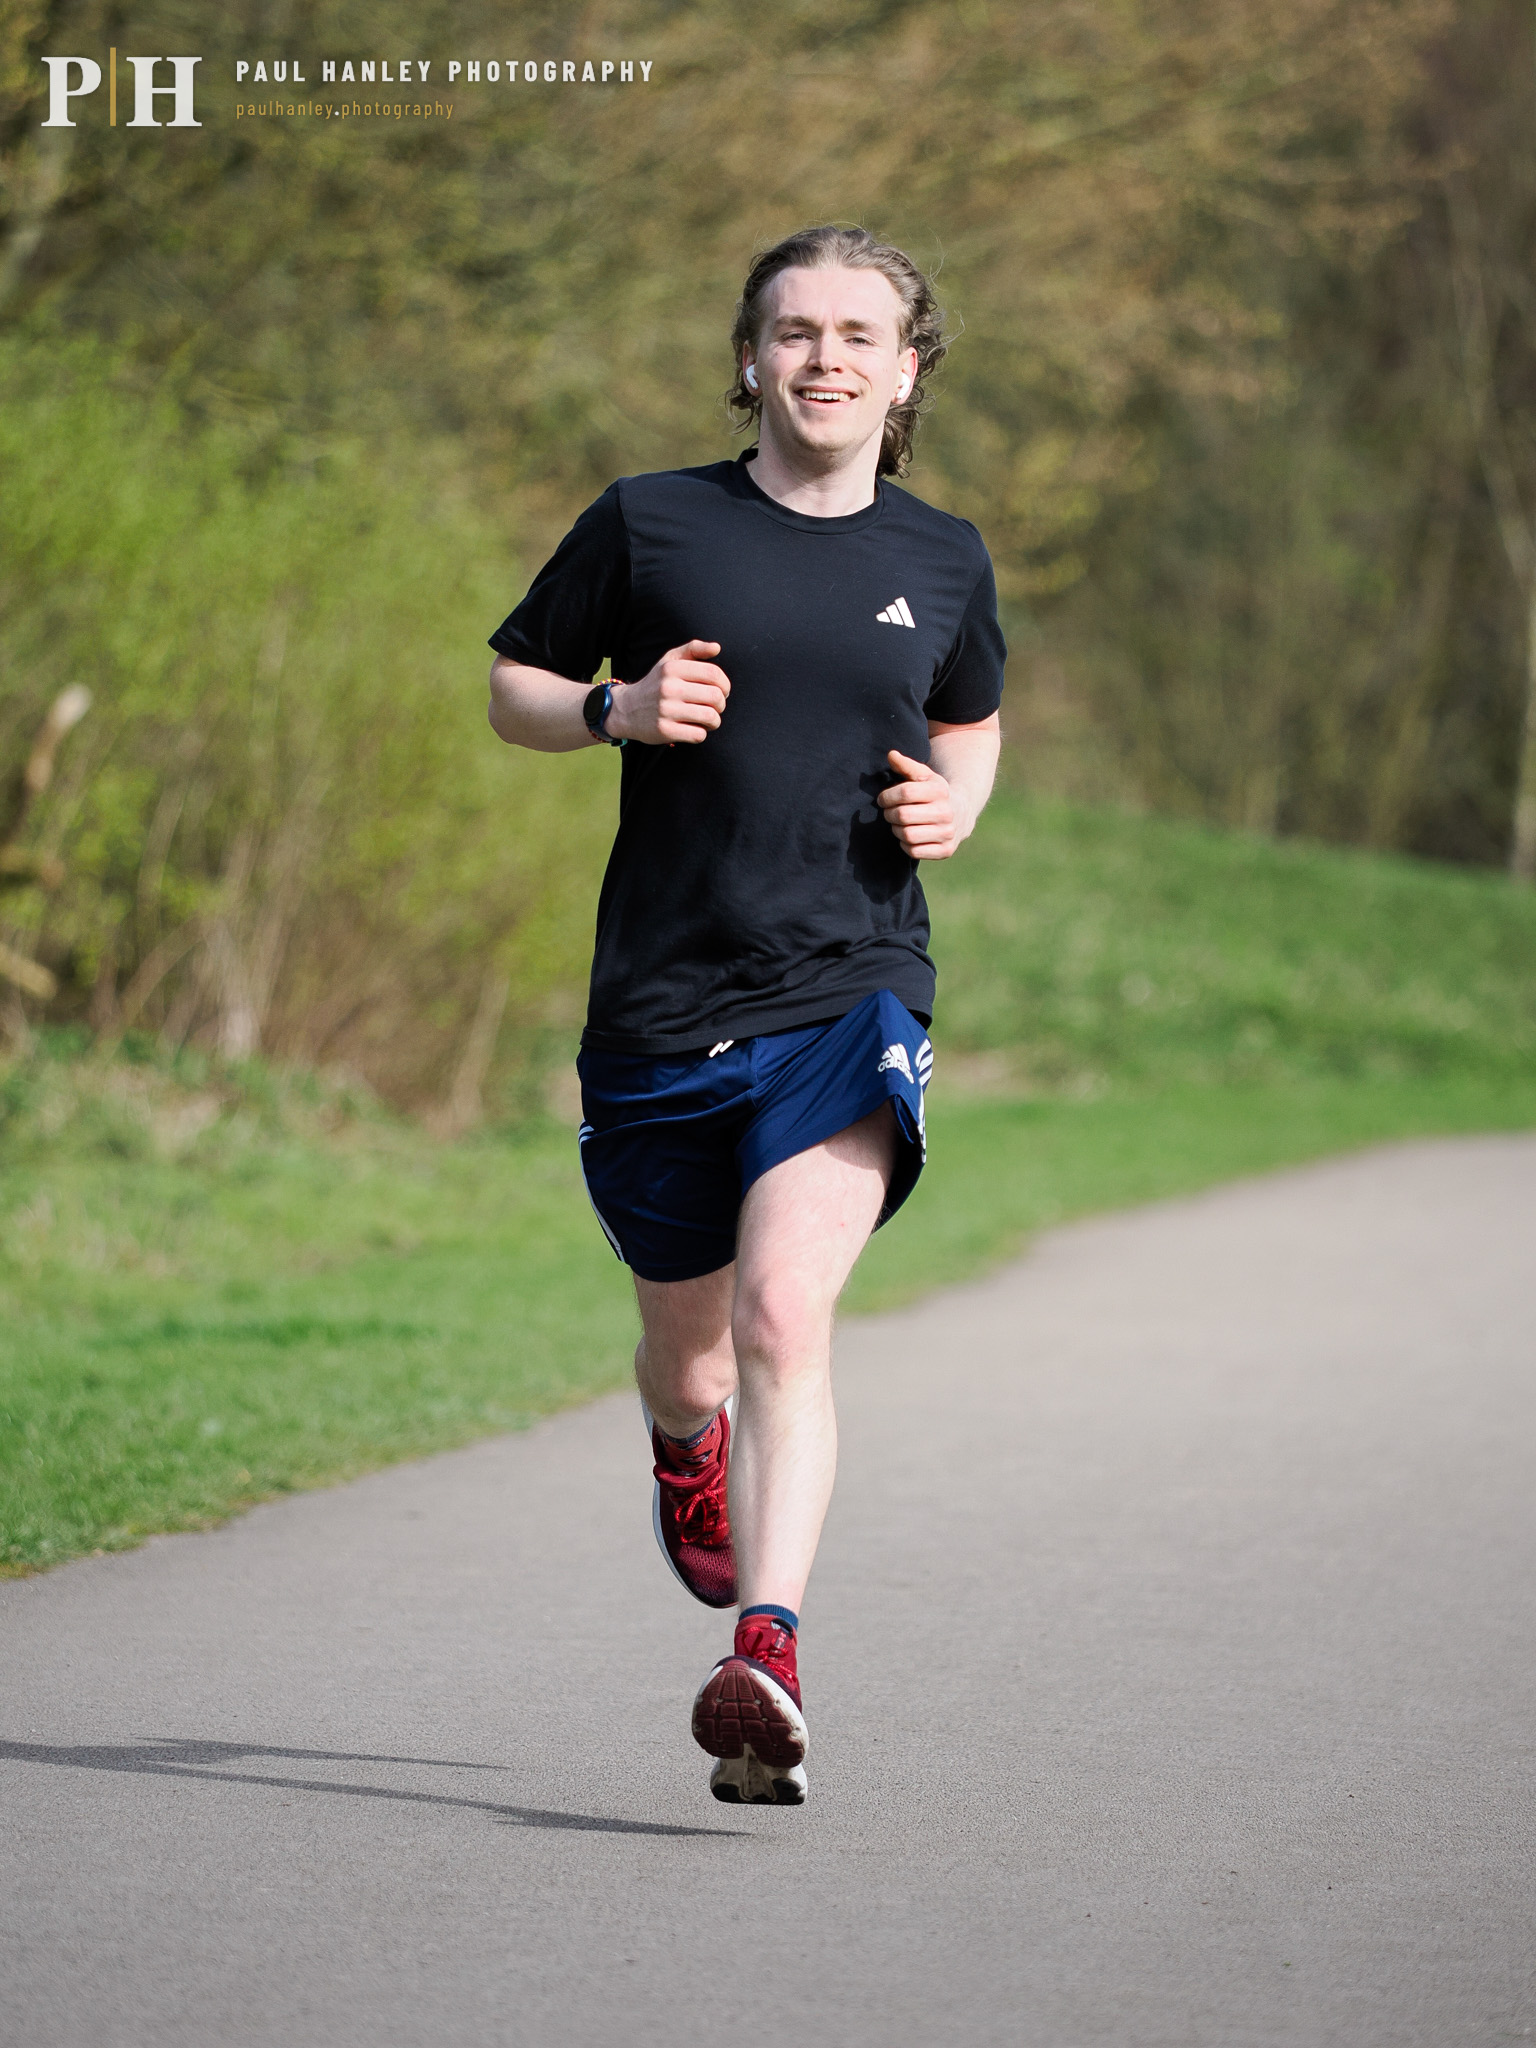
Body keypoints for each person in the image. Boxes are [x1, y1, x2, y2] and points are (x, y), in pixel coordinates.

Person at [486, 224, 1005, 1805]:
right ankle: (683, 1451)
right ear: (749, 355)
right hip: (659, 1001)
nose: (826, 356)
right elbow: (512, 682)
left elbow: (971, 723)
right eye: (795, 330)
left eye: (860, 332)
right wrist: (613, 710)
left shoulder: (944, 558)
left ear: (908, 368)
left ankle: (765, 1655)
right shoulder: (650, 524)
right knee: (691, 1353)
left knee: (789, 1317)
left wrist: (955, 813)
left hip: (851, 985)